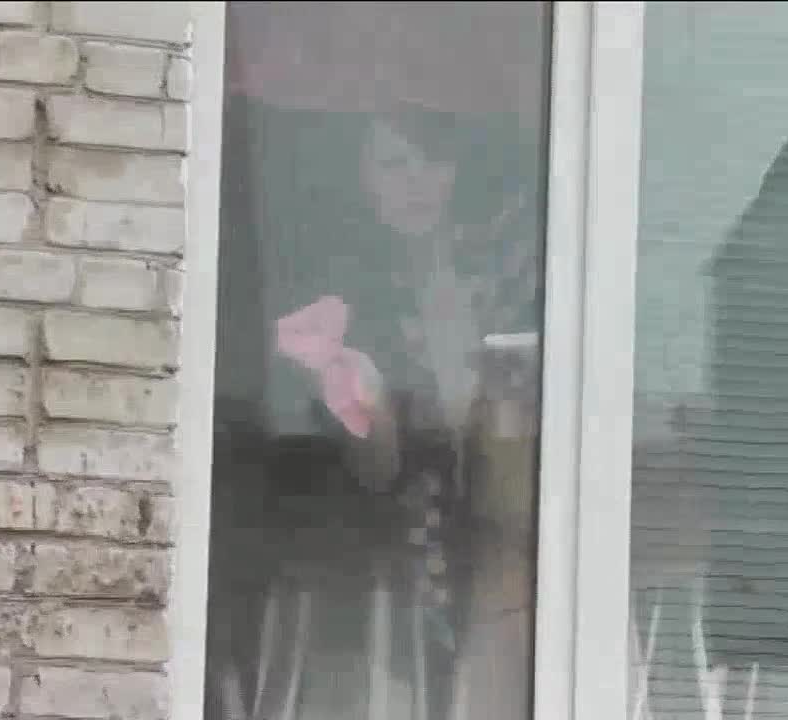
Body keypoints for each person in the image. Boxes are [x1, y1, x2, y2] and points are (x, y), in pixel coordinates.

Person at [212, 99, 543, 720]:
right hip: (382, 572)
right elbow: (371, 468)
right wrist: (366, 407)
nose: (418, 182)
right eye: (394, 164)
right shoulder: (345, 290)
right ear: (362, 177)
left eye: (433, 160)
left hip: (497, 549)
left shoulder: (499, 271)